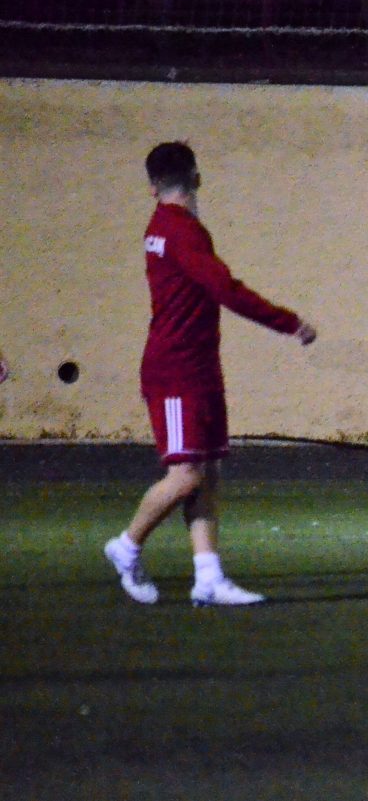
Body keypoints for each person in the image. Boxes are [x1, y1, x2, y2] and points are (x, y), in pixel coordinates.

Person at [103, 142, 317, 607]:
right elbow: (226, 289)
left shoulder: (161, 226)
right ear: (197, 178)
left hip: (196, 367)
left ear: (152, 187)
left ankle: (208, 577)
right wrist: (288, 322)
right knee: (185, 476)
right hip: (177, 370)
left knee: (206, 473)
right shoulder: (182, 231)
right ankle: (126, 546)